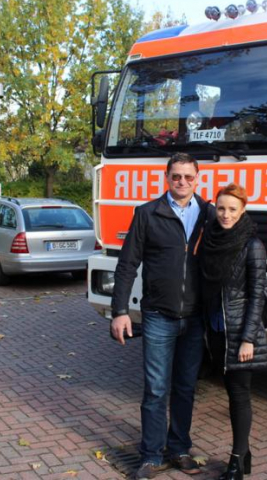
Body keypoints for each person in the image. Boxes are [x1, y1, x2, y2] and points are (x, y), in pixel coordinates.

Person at [110, 152, 213, 479]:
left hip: (195, 317)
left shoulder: (209, 214)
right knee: (156, 388)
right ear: (166, 178)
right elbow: (127, 265)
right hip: (158, 315)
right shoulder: (147, 213)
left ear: (197, 179)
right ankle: (151, 455)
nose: (182, 182)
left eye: (188, 177)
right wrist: (120, 311)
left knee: (185, 387)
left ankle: (179, 448)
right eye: (176, 177)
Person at [199, 184, 267, 480]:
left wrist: (248, 339)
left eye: (232, 209)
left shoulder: (252, 246)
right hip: (216, 329)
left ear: (243, 212)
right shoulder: (211, 239)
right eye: (221, 208)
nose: (225, 215)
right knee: (230, 392)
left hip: (240, 332)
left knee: (239, 395)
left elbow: (257, 295)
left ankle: (236, 462)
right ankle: (245, 452)